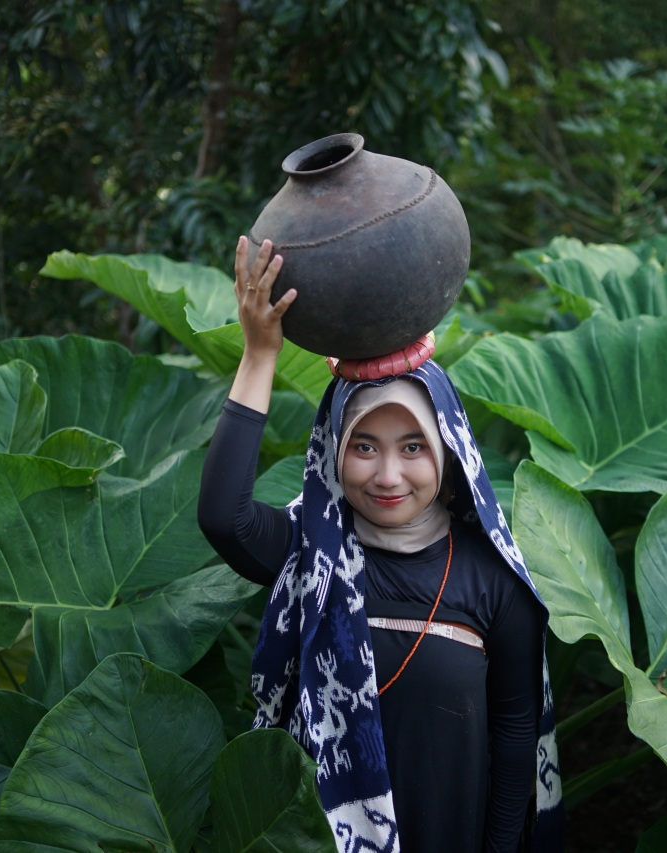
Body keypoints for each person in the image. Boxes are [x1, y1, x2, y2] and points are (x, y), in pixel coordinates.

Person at [198, 237, 563, 853]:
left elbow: (514, 733)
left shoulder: (493, 579)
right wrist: (259, 353)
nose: (388, 476)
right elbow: (223, 518)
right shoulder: (309, 551)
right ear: (335, 450)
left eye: (413, 447)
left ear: (447, 452)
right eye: (364, 446)